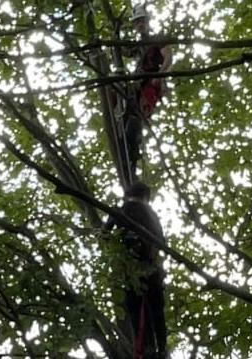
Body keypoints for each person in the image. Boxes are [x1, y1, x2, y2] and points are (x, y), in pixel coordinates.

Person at [104, 182, 167, 358]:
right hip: (151, 268)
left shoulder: (120, 210)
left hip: (130, 268)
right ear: (146, 197)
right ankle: (160, 348)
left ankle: (147, 348)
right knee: (156, 310)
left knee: (135, 308)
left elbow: (104, 235)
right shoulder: (152, 215)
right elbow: (162, 242)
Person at [121, 4, 172, 178]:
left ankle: (133, 154)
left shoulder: (157, 39)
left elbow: (168, 57)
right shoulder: (137, 45)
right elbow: (122, 51)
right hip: (135, 84)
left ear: (148, 21)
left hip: (150, 82)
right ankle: (128, 152)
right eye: (137, 22)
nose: (140, 24)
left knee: (137, 118)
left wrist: (161, 75)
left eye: (142, 21)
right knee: (126, 120)